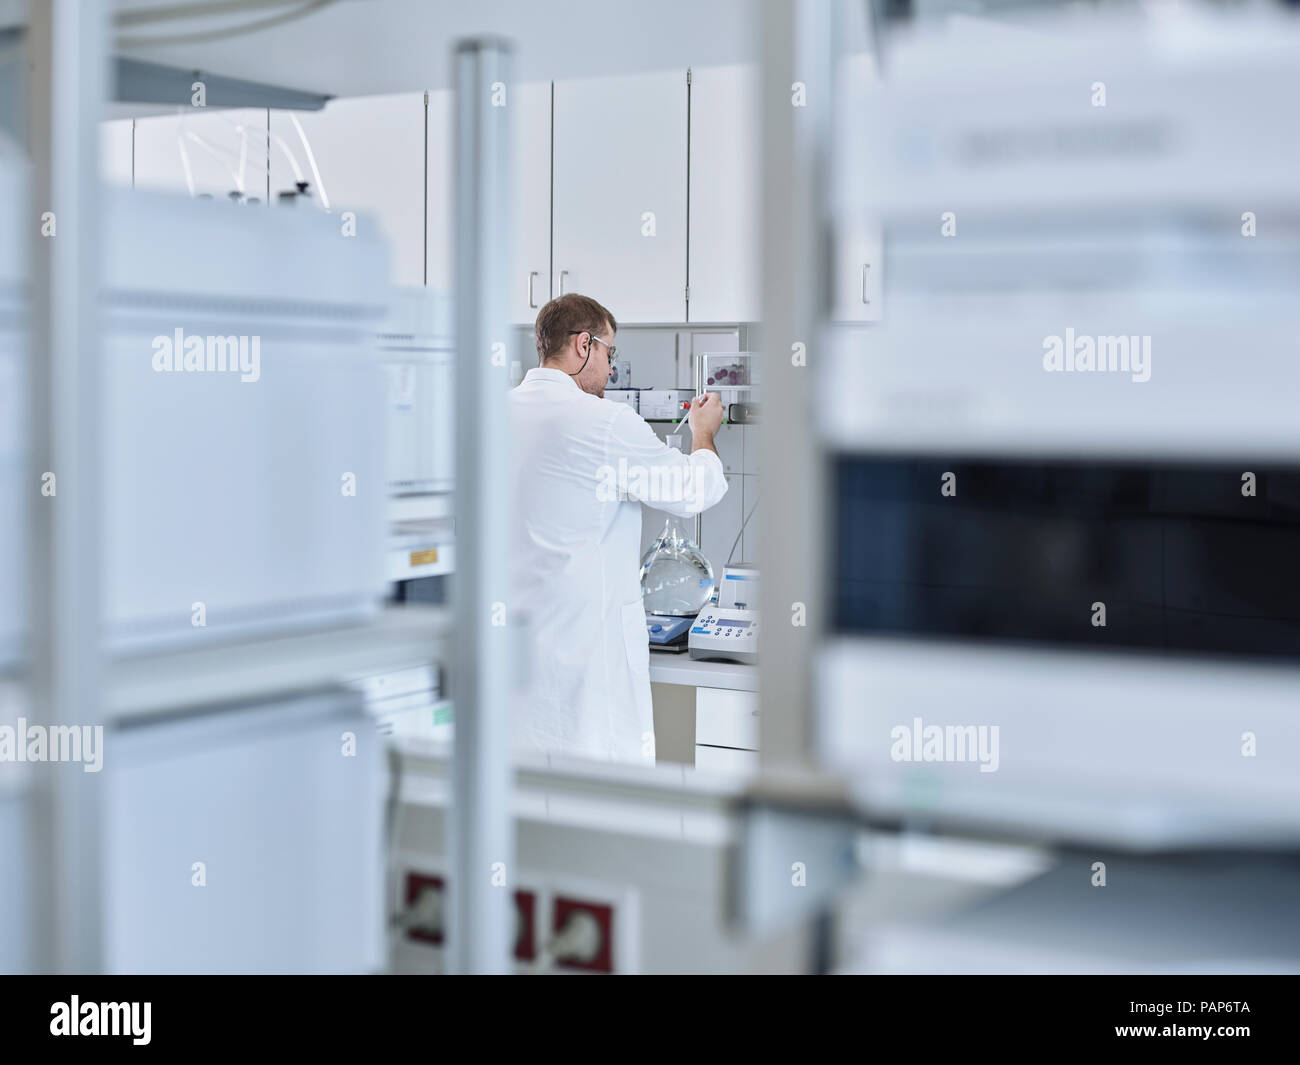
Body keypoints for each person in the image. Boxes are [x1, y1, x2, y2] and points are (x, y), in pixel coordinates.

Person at [508, 293, 728, 764]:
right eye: (610, 352)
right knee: (590, 806)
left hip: (511, 666)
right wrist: (704, 434)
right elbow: (692, 492)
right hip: (584, 668)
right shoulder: (604, 422)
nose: (611, 369)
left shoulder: (494, 413)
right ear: (584, 345)